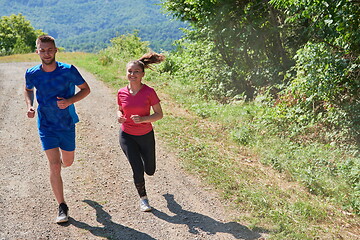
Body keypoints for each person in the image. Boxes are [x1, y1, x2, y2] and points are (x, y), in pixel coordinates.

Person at [24, 35, 90, 223]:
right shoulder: (32, 73)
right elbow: (28, 89)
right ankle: (62, 206)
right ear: (37, 51)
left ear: (55, 50)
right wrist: (30, 105)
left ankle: (60, 166)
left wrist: (70, 101)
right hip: (46, 125)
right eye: (42, 50)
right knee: (54, 165)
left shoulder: (68, 70)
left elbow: (86, 89)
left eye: (50, 50)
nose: (46, 53)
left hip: (66, 124)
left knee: (67, 163)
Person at [117, 52, 164, 212]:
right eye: (130, 71)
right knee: (137, 168)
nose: (133, 74)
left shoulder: (149, 92)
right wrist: (120, 117)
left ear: (143, 74)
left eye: (136, 71)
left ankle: (144, 162)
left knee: (149, 170)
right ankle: (143, 199)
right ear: (126, 73)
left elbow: (159, 114)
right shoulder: (121, 92)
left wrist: (143, 119)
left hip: (145, 135)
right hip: (127, 135)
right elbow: (119, 110)